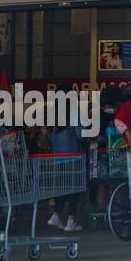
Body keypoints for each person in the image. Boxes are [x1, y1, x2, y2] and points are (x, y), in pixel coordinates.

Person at [46, 87, 84, 233]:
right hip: (73, 157)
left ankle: (56, 215)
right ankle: (70, 221)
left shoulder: (53, 113)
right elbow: (80, 134)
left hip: (57, 158)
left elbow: (49, 137)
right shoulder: (75, 112)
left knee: (63, 187)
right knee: (75, 188)